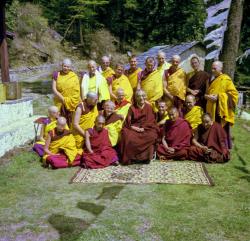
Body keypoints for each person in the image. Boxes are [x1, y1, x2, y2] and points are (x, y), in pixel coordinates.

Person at [119, 90, 159, 165]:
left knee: (153, 135)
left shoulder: (149, 107)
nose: (141, 98)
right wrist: (134, 128)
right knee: (126, 134)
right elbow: (128, 122)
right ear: (136, 98)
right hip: (134, 128)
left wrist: (143, 128)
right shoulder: (132, 107)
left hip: (146, 128)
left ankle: (145, 157)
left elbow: (151, 121)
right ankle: (131, 157)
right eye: (138, 96)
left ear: (146, 97)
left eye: (143, 96)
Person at [205, 60, 238, 148]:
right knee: (211, 126)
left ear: (220, 68)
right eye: (212, 68)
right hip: (211, 107)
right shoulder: (210, 79)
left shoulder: (226, 79)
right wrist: (207, 96)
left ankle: (223, 146)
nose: (212, 70)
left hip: (220, 109)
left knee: (221, 128)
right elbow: (207, 92)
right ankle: (213, 144)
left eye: (214, 68)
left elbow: (234, 94)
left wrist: (219, 97)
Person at [52, 58, 81, 126]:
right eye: (64, 66)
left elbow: (77, 90)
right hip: (60, 102)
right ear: (62, 66)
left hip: (71, 102)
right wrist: (63, 99)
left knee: (70, 120)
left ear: (70, 67)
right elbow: (54, 89)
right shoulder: (56, 74)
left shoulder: (74, 76)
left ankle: (69, 134)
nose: (66, 68)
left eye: (68, 67)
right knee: (59, 119)